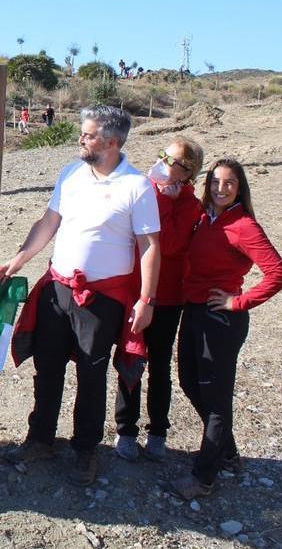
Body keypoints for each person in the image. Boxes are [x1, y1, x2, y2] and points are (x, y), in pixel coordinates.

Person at [0, 105, 160, 486]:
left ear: (112, 142)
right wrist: (19, 259)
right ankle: (40, 440)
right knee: (47, 369)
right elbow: (50, 221)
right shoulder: (71, 173)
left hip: (101, 300)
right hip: (58, 290)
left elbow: (150, 247)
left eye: (88, 135)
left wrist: (146, 300)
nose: (80, 139)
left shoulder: (136, 186)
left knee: (91, 374)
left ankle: (86, 450)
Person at [170, 159, 282, 500]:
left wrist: (238, 302)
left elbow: (278, 274)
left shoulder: (244, 225)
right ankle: (227, 451)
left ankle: (204, 478)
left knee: (216, 398)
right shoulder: (207, 219)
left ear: (240, 188)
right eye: (216, 182)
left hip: (220, 320)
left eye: (230, 183)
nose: (221, 188)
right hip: (194, 310)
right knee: (190, 382)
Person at [113, 137, 204, 462]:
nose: (161, 162)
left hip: (167, 298)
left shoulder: (192, 205)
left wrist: (167, 203)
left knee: (160, 366)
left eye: (170, 159)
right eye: (163, 155)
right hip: (135, 292)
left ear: (187, 172)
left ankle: (158, 431)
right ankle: (125, 430)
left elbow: (169, 245)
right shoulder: (144, 190)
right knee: (130, 358)